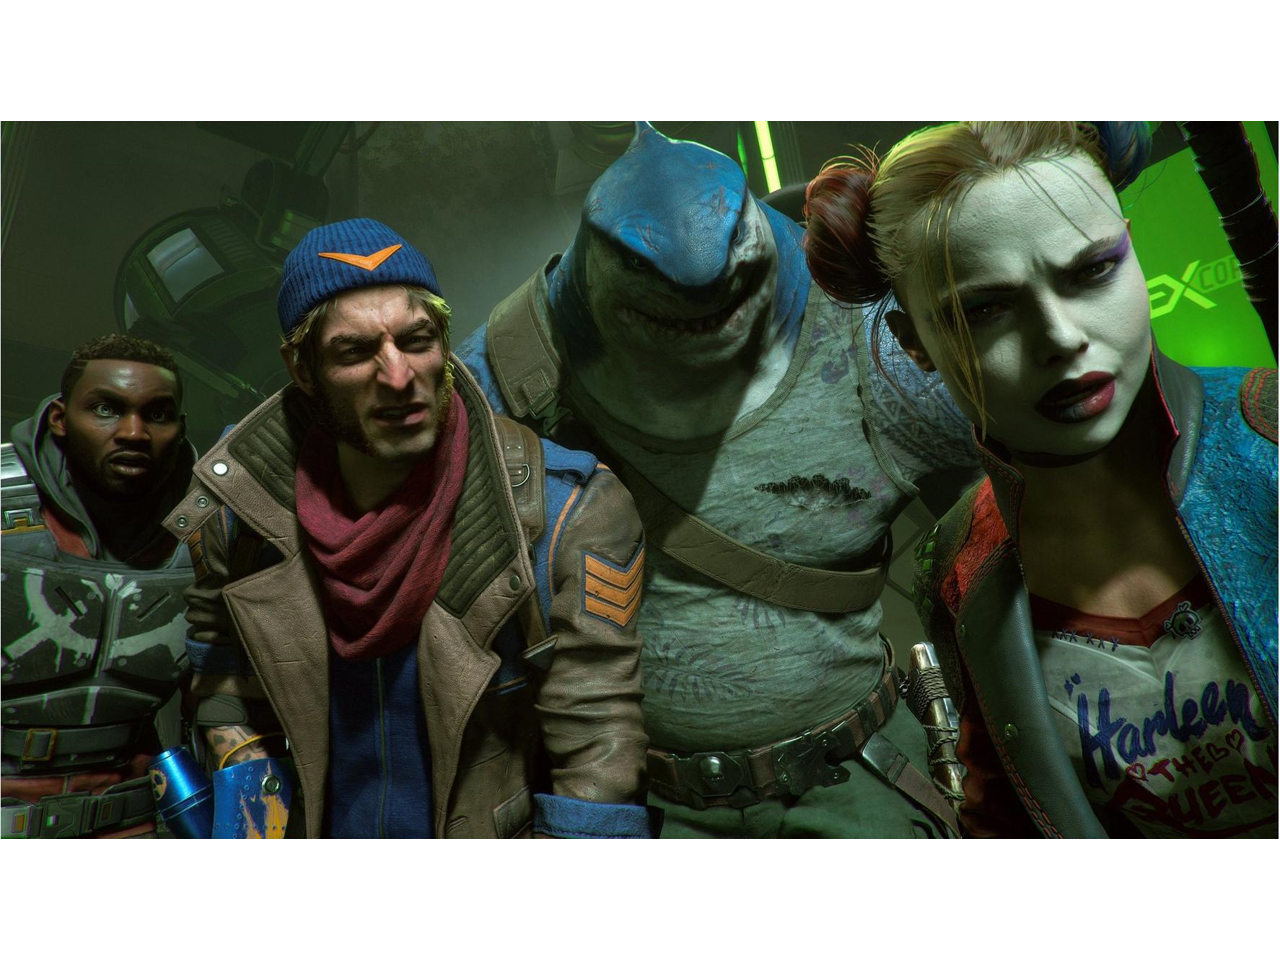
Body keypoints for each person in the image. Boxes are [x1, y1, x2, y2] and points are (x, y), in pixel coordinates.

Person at [460, 123, 975, 838]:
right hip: (647, 798)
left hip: (856, 770)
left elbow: (1034, 507)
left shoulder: (873, 339)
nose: (704, 295)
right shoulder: (511, 374)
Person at [805, 120, 1277, 838]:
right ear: (915, 344)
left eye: (1093, 270)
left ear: (1133, 252)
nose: (1060, 336)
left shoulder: (1270, 440)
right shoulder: (960, 569)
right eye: (986, 309)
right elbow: (1007, 811)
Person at [164, 218, 654, 838]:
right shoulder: (239, 508)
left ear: (444, 341)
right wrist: (249, 797)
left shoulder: (563, 509)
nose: (398, 378)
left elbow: (600, 742)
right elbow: (220, 670)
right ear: (302, 369)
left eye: (417, 340)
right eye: (354, 352)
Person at [2, 334, 196, 839]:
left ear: (180, 428)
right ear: (60, 418)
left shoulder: (208, 533)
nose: (133, 432)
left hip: (133, 820)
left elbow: (228, 699)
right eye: (106, 409)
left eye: (157, 414)